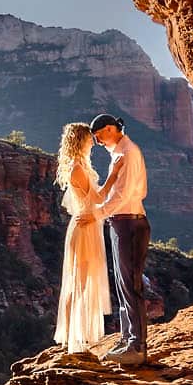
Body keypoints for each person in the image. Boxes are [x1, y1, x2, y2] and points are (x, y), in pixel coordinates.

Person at [89, 112, 151, 364]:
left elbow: (124, 195)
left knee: (131, 285)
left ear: (111, 129)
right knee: (123, 284)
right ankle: (128, 340)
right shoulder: (120, 153)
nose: (98, 142)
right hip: (122, 222)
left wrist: (98, 215)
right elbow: (124, 192)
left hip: (129, 223)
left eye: (99, 136)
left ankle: (137, 348)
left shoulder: (128, 153)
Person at [52, 122, 111, 353]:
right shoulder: (78, 168)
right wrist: (116, 176)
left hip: (88, 226)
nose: (92, 143)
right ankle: (73, 337)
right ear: (80, 140)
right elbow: (96, 199)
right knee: (80, 281)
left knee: (85, 281)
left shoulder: (81, 166)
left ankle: (80, 335)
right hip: (84, 230)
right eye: (89, 139)